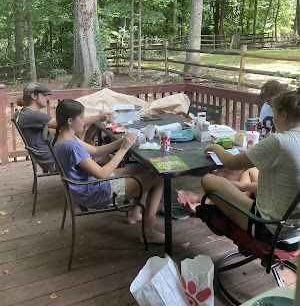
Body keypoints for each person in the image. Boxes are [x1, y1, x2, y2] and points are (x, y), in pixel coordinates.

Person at [182, 88, 300, 242]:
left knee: (209, 180)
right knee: (250, 173)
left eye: (274, 114)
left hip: (268, 227)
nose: (273, 118)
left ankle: (209, 208)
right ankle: (209, 206)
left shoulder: (280, 141)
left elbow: (231, 164)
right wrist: (243, 186)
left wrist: (214, 147)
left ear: (284, 115)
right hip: (295, 231)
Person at [53, 99, 165, 244]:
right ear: (70, 121)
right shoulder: (70, 147)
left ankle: (135, 214)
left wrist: (122, 141)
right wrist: (123, 149)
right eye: (82, 117)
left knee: (143, 168)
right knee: (159, 178)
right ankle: (148, 233)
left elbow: (96, 151)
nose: (85, 120)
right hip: (95, 193)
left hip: (88, 186)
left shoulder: (64, 138)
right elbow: (102, 174)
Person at [177, 79, 288, 206]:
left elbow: (232, 163)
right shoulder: (272, 109)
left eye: (270, 102)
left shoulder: (286, 115)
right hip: (264, 148)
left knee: (233, 169)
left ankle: (204, 201)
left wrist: (214, 147)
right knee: (228, 169)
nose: (269, 105)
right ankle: (205, 200)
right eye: (267, 102)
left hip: (271, 157)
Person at [17, 83, 111, 172]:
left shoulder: (27, 113)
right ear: (34, 96)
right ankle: (106, 182)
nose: (47, 98)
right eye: (44, 95)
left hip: (52, 154)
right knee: (104, 156)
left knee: (83, 144)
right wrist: (98, 117)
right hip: (54, 160)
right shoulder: (32, 115)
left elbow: (50, 130)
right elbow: (65, 123)